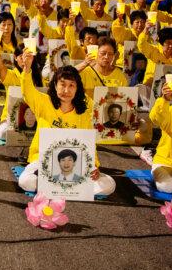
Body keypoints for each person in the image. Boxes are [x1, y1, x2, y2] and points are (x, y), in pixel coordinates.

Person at [14, 50, 115, 196]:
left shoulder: (85, 112)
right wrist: (27, 68)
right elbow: (27, 91)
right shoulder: (44, 102)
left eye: (71, 86)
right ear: (55, 85)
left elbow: (88, 142)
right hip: (43, 161)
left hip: (74, 164)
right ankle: (65, 187)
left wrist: (94, 166)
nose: (66, 90)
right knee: (25, 181)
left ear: (77, 88)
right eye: (62, 85)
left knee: (108, 185)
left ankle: (56, 187)